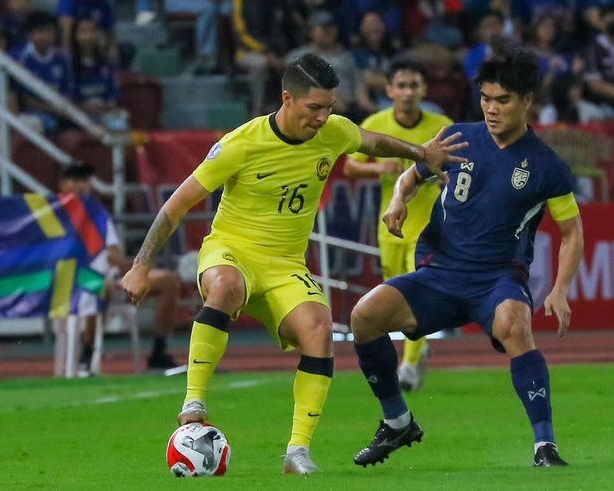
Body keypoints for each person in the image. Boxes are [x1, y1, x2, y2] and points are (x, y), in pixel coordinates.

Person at [120, 53, 466, 475]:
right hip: (232, 250)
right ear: (287, 99)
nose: (324, 118)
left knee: (320, 330)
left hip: (285, 264)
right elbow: (176, 207)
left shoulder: (333, 131)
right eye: (314, 108)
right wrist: (141, 264)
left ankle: (297, 452)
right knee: (225, 287)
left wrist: (419, 153)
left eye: (329, 108)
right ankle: (194, 399)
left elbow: (372, 141)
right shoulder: (241, 143)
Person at [350, 49, 584, 468]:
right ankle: (398, 421)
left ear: (527, 100)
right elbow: (412, 174)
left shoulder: (547, 166)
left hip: (497, 278)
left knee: (516, 324)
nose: (492, 109)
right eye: (486, 98)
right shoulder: (457, 136)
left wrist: (561, 288)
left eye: (503, 100)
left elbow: (572, 232)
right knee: (363, 316)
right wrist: (399, 200)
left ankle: (545, 446)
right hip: (439, 273)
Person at [344, 59, 453, 392]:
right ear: (389, 90)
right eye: (401, 86)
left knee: (417, 291)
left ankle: (408, 363)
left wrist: (446, 180)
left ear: (423, 90)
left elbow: (462, 164)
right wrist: (378, 169)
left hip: (429, 227)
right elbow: (350, 166)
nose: (408, 92)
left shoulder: (442, 126)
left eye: (414, 85)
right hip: (390, 225)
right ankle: (416, 351)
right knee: (394, 296)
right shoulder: (376, 123)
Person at [58, 164, 182, 373]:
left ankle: (159, 351)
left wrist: (133, 270)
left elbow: (114, 254)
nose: (80, 185)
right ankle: (86, 357)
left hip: (111, 276)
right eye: (75, 179)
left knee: (169, 280)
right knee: (98, 286)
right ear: (63, 184)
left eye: (85, 180)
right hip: (76, 279)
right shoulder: (54, 217)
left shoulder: (98, 215)